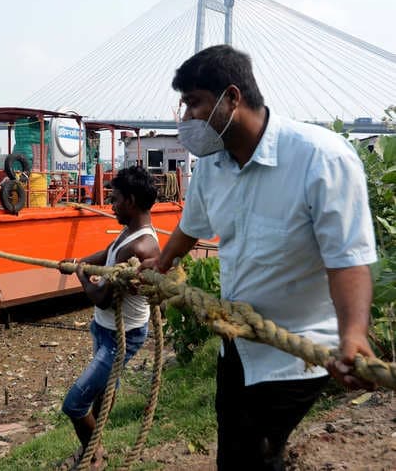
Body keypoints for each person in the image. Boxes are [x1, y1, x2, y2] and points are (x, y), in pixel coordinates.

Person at [142, 44, 378, 470]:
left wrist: (353, 335)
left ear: (232, 98)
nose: (187, 118)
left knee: (254, 457)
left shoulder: (320, 158)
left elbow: (348, 259)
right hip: (236, 344)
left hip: (297, 352)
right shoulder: (212, 168)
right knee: (234, 456)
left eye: (194, 103)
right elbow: (190, 227)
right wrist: (162, 265)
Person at [59, 166, 160, 470]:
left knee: (74, 404)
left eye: (115, 199)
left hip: (121, 336)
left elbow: (102, 298)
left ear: (130, 200)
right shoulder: (130, 233)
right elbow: (108, 253)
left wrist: (79, 275)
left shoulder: (142, 247)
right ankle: (94, 449)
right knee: (104, 391)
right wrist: (80, 262)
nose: (111, 205)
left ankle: (94, 456)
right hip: (104, 329)